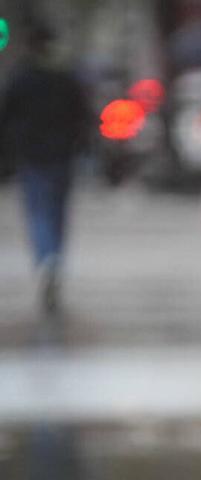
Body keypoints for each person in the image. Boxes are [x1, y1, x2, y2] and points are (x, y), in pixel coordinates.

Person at [0, 24, 91, 314]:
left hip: (32, 156)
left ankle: (46, 258)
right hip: (62, 155)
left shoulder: (21, 77)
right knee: (57, 211)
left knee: (38, 210)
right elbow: (83, 116)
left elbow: (6, 116)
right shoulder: (66, 77)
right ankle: (55, 259)